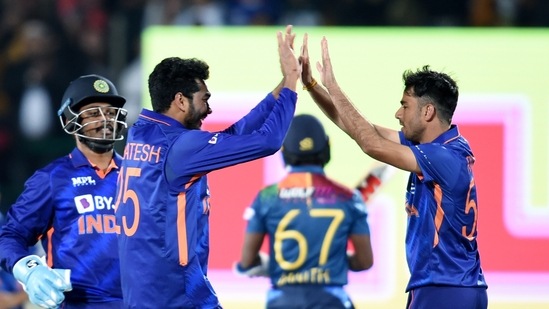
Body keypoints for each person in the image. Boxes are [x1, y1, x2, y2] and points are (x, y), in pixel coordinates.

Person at [114, 25, 301, 308]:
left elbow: (231, 137)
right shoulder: (182, 147)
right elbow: (268, 142)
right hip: (179, 295)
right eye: (204, 99)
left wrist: (281, 84)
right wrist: (291, 86)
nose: (209, 109)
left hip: (143, 294)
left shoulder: (141, 132)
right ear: (180, 100)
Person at [299, 34, 488, 308]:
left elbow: (370, 144)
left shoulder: (442, 157)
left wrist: (333, 86)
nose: (398, 114)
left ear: (428, 112)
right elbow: (360, 130)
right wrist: (313, 86)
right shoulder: (440, 146)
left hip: (445, 289)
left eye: (404, 105)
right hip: (446, 285)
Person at [0, 74, 128, 309]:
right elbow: (10, 236)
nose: (105, 119)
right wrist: (30, 271)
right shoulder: (52, 178)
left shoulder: (140, 177)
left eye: (110, 112)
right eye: (93, 113)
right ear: (71, 120)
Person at [235, 114, 376, 309]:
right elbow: (364, 261)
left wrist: (272, 267)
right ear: (326, 148)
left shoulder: (267, 197)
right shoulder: (349, 199)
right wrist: (333, 262)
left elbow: (247, 260)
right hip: (332, 301)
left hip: (282, 302)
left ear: (284, 152)